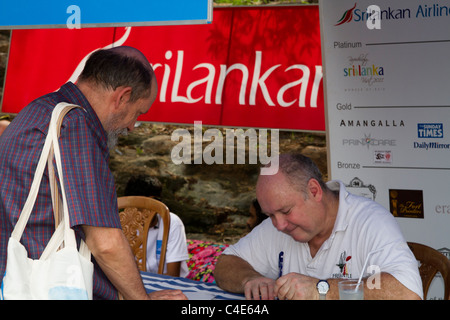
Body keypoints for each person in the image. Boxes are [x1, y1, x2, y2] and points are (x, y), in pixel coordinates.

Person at [0, 46, 186, 300]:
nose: (132, 126)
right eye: (138, 113)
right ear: (122, 97)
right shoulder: (76, 126)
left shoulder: (39, 109)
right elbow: (105, 243)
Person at [214, 153, 423, 300]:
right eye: (270, 215)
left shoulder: (370, 221)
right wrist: (250, 279)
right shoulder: (278, 225)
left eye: (286, 211)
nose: (278, 224)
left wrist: (322, 290)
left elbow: (407, 292)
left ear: (314, 191)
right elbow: (225, 264)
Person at [124, 175, 189, 277]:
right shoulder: (122, 224)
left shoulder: (172, 223)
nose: (149, 208)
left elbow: (173, 275)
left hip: (165, 284)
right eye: (143, 203)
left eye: (154, 201)